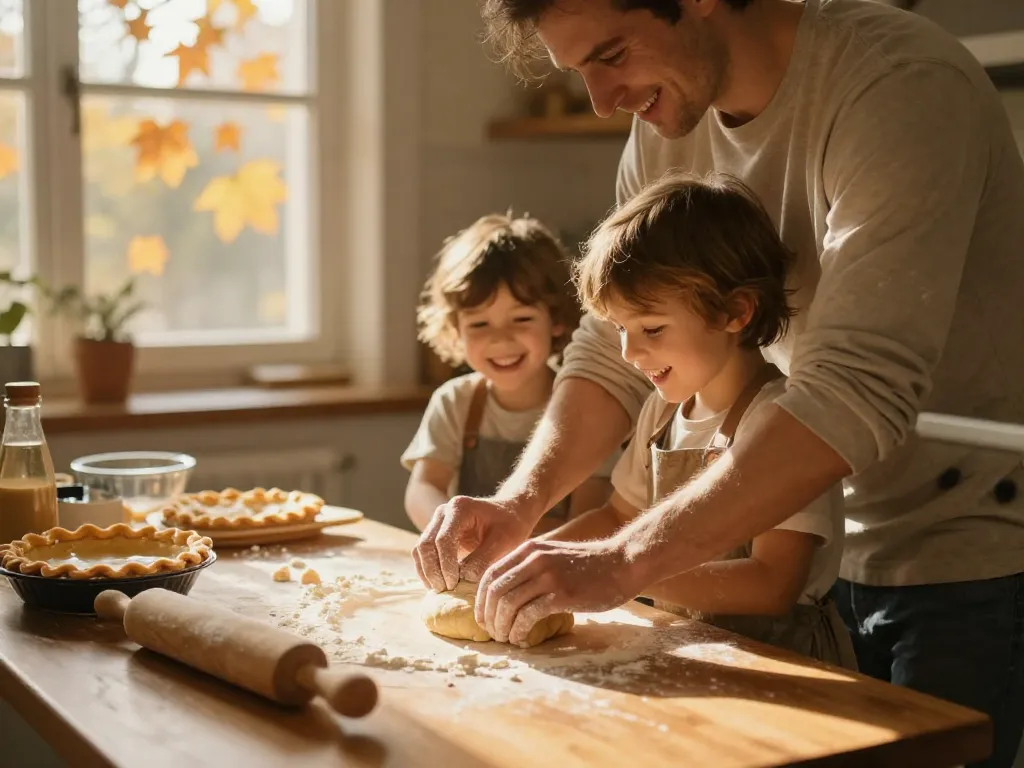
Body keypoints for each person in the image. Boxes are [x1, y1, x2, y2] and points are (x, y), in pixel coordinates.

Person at [412, 1, 1024, 766]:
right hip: (823, 558)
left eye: (610, 54)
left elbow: (854, 389)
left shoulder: (898, 85)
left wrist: (626, 563)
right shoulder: (668, 116)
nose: (603, 101)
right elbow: (607, 350)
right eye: (580, 73)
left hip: (960, 543)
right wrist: (519, 503)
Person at [546, 169, 857, 667]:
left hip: (783, 667)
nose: (628, 352)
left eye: (650, 327)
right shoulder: (663, 410)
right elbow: (617, 519)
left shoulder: (784, 423)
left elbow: (771, 584)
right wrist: (532, 560)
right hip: (689, 653)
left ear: (735, 312)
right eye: (620, 329)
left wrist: (618, 574)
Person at [402, 211, 611, 535]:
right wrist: (448, 533)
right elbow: (422, 489)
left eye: (522, 319)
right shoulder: (455, 402)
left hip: (554, 570)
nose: (500, 338)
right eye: (479, 324)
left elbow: (589, 517)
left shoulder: (587, 404)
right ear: (456, 330)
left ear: (555, 319)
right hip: (471, 571)